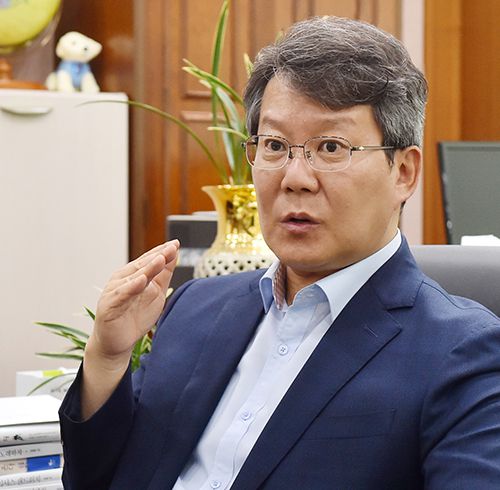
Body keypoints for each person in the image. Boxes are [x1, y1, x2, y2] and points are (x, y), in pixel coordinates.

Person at [60, 16, 500, 490]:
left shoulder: (463, 353)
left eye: (330, 147)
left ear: (404, 173)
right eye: (274, 145)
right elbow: (101, 479)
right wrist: (107, 359)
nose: (294, 178)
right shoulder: (194, 309)